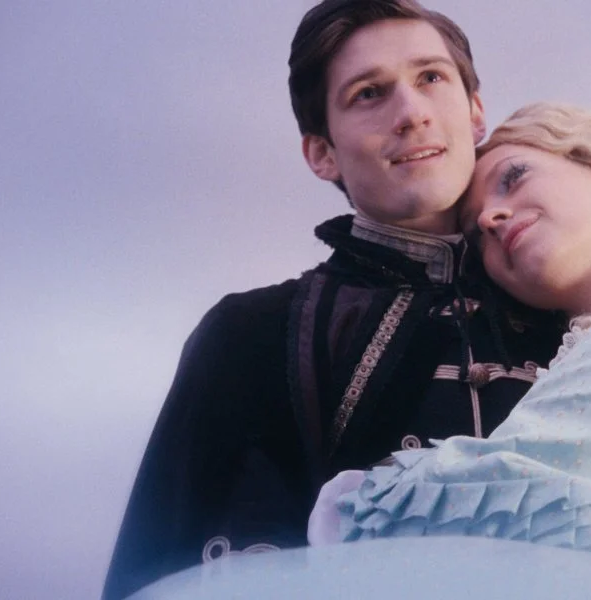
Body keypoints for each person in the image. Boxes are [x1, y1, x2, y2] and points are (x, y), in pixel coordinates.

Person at [102, 2, 565, 598]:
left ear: (475, 111)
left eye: (430, 77)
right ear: (322, 153)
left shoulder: (575, 309)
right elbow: (165, 572)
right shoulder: (254, 333)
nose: (412, 114)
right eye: (369, 93)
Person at [308, 102, 591, 562]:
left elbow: (561, 455)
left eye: (513, 177)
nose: (489, 219)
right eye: (475, 233)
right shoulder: (543, 371)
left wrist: (369, 502)